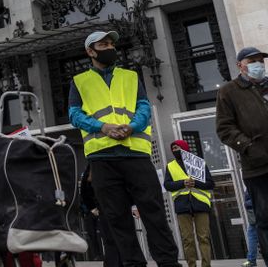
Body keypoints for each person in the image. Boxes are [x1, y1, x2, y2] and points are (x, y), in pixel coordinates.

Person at [68, 30, 180, 267]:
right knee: (117, 219)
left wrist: (132, 126)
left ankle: (169, 263)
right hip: (102, 158)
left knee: (154, 214)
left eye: (111, 44)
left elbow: (143, 106)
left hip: (135, 155)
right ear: (90, 51)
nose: (110, 48)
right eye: (103, 44)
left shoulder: (130, 76)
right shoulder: (79, 81)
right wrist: (103, 127)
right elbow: (74, 114)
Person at [216, 46, 268, 264]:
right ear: (240, 65)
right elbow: (224, 128)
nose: (258, 64)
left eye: (261, 61)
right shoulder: (229, 91)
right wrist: (250, 147)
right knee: (265, 219)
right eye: (252, 61)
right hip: (258, 167)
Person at [163, 140, 214, 267]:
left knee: (204, 238)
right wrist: (182, 183)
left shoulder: (199, 163)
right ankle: (191, 265)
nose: (175, 150)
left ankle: (206, 265)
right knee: (187, 240)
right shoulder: (170, 166)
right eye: (173, 148)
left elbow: (210, 183)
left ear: (185, 148)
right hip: (182, 206)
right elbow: (167, 185)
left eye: (178, 147)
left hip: (201, 204)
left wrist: (195, 183)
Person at [79, 163, 124, 267]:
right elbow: (84, 189)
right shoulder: (98, 165)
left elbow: (84, 189)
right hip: (112, 207)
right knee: (114, 239)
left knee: (110, 240)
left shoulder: (94, 164)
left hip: (105, 207)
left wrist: (92, 206)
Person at [244, 189, 259, 267]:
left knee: (252, 235)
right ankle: (251, 260)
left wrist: (247, 204)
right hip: (255, 209)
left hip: (256, 209)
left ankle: (251, 260)